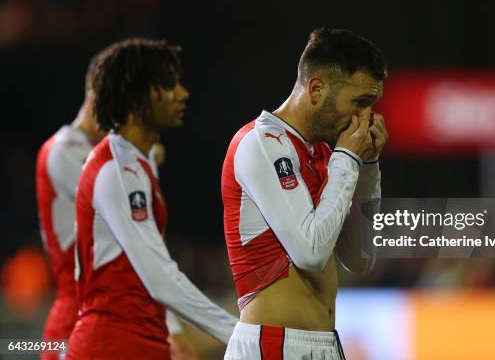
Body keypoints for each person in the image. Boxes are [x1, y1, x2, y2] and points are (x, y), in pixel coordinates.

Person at [66, 38, 237, 360]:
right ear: (138, 96)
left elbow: (147, 269)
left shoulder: (135, 163)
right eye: (169, 85)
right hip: (111, 346)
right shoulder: (119, 171)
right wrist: (240, 334)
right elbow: (159, 276)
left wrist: (170, 331)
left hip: (138, 341)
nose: (183, 93)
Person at [221, 28, 387, 359]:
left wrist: (367, 166)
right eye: (359, 103)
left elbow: (360, 258)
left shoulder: (326, 157)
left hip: (324, 345)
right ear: (316, 89)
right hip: (273, 345)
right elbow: (309, 251)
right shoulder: (262, 143)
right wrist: (348, 159)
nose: (366, 118)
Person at [35, 50, 107, 360]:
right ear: (95, 96)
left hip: (100, 320)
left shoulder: (99, 154)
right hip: (74, 324)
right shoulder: (63, 150)